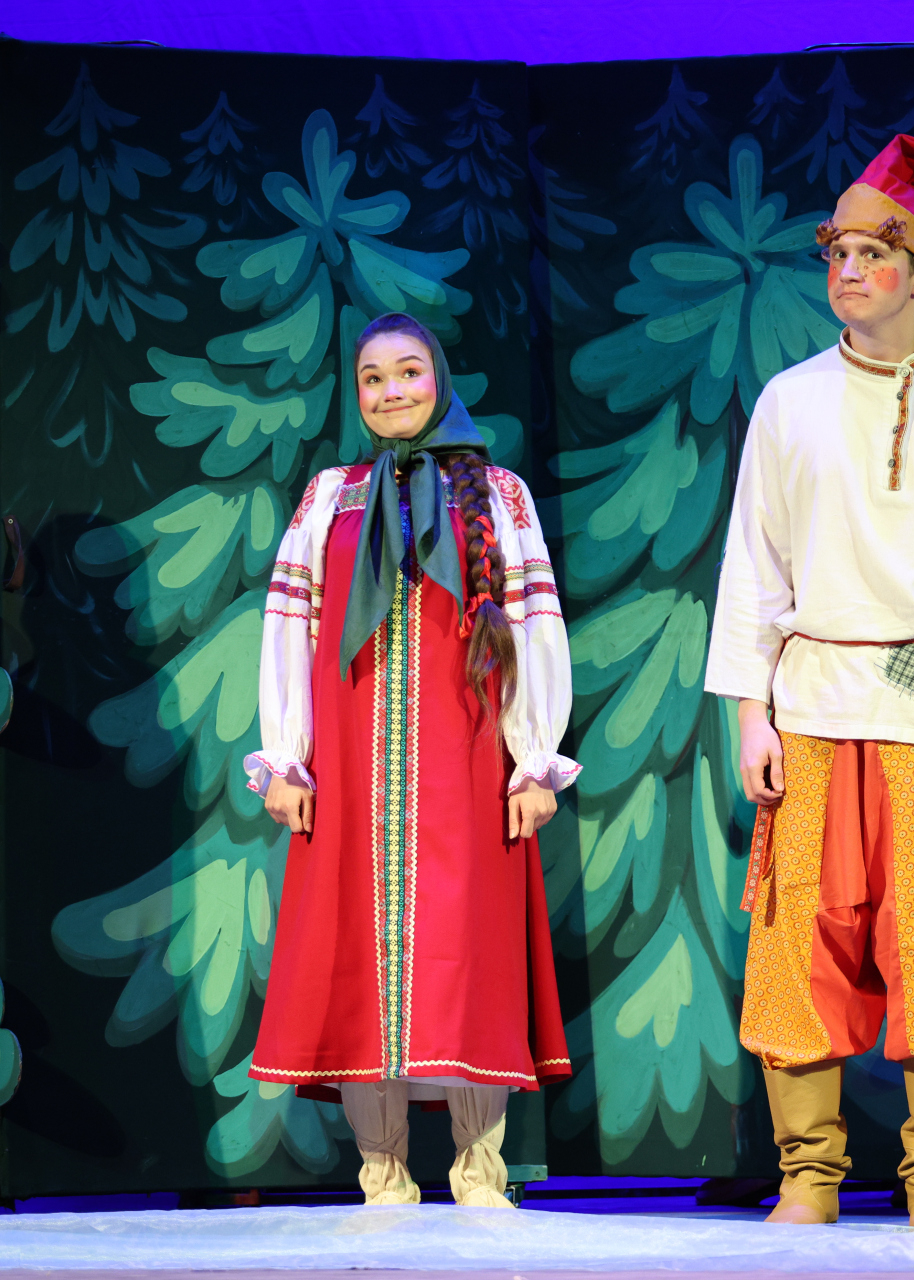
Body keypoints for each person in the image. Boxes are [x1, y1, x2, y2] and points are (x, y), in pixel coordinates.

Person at [705, 135, 914, 1230]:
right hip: (810, 704)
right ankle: (809, 1173)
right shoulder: (789, 400)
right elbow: (754, 563)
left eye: (873, 254)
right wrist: (749, 712)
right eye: (837, 253)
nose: (847, 271)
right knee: (798, 938)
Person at [243, 312, 580, 1207]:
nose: (392, 391)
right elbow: (291, 626)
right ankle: (382, 1174)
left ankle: (480, 1172)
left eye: (409, 372)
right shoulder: (332, 496)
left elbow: (533, 626)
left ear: (440, 381)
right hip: (350, 764)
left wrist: (534, 760)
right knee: (358, 956)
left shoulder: (498, 493)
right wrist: (286, 758)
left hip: (467, 758)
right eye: (373, 378)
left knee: (470, 954)